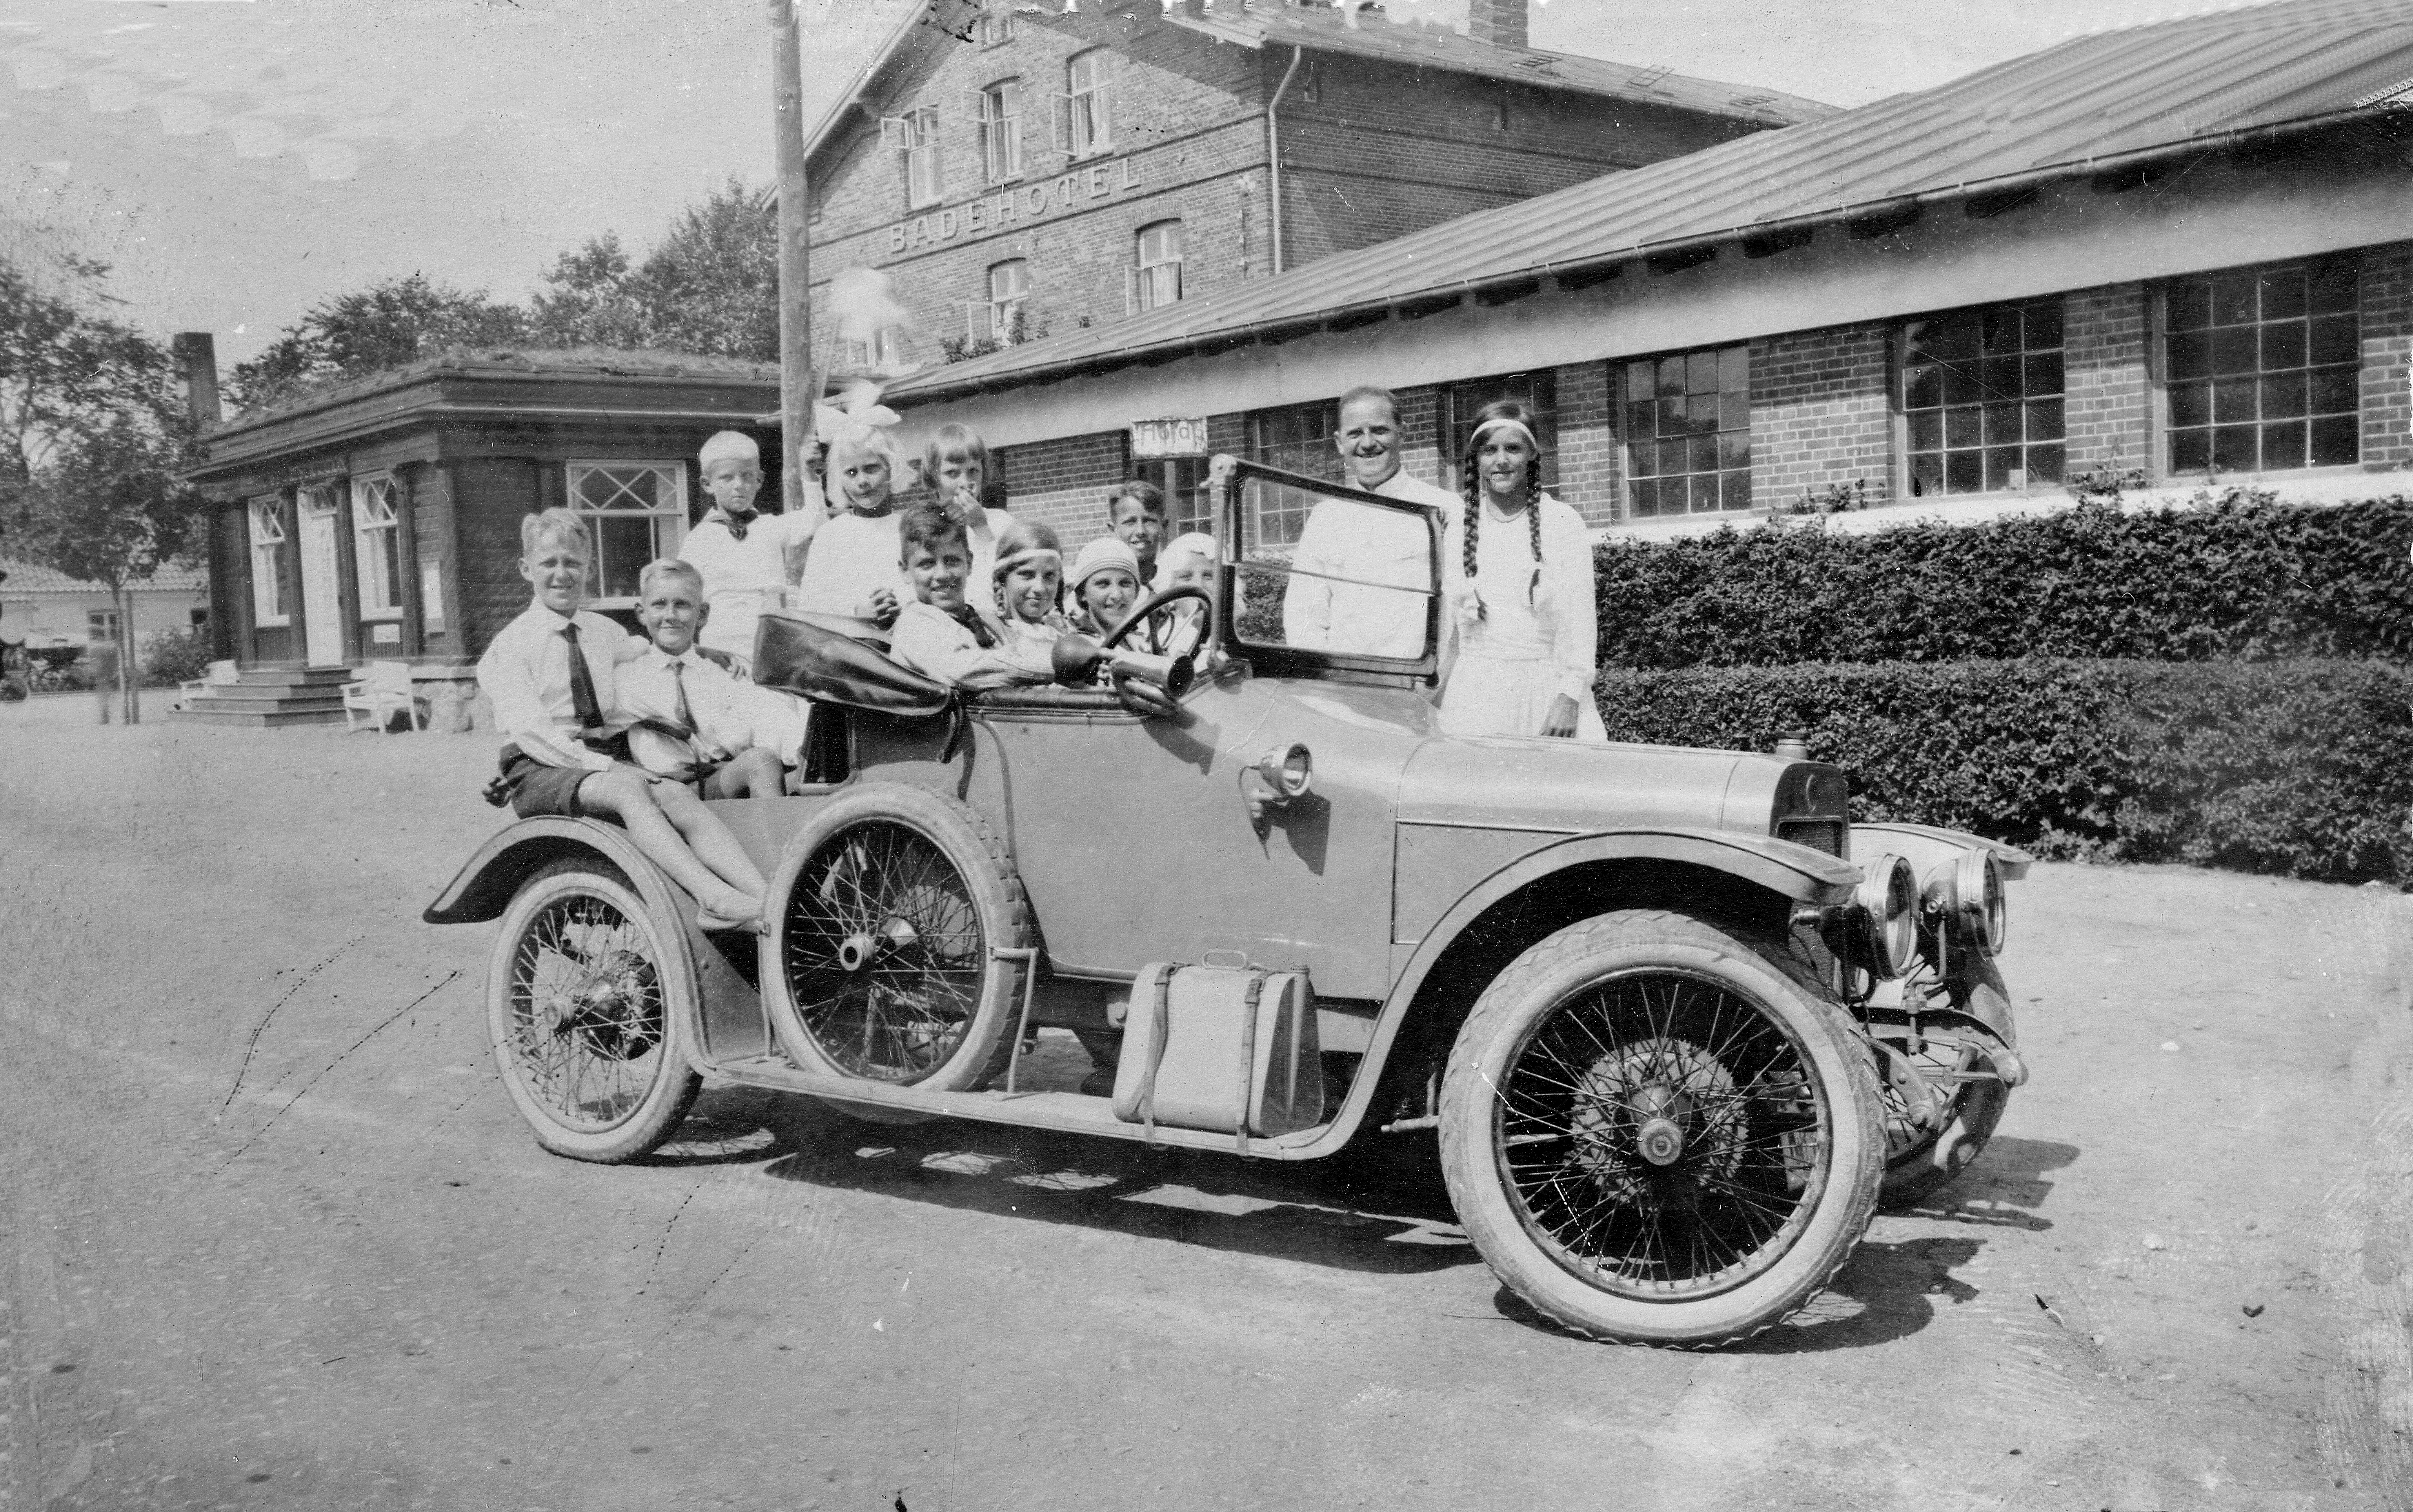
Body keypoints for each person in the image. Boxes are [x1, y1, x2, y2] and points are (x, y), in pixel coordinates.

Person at [476, 508, 771, 932]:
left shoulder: (602, 631)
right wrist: (605, 766)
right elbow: (532, 733)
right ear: (527, 569)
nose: (562, 574)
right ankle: (712, 899)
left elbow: (652, 646)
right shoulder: (509, 647)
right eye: (549, 563)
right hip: (541, 765)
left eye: (573, 563)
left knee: (674, 794)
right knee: (632, 790)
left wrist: (707, 652)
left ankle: (764, 894)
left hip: (599, 760)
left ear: (588, 568)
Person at [1436, 399, 1606, 741]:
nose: (1501, 460)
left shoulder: (1562, 522)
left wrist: (1569, 697)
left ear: (1532, 454)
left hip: (1544, 690)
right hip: (1475, 696)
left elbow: (1581, 621)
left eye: (1512, 448)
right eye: (1489, 450)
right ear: (1476, 459)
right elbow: (1450, 631)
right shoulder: (1458, 526)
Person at [1280, 385, 1461, 656]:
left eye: (1379, 430)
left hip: (1418, 682)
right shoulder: (1325, 518)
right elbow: (1304, 613)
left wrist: (1429, 684)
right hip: (1346, 684)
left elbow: (1455, 613)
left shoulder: (1445, 509)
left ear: (1402, 433)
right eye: (1355, 433)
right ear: (1340, 443)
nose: (1367, 443)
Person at [617, 559, 789, 799]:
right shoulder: (627, 677)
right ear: (641, 613)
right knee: (760, 762)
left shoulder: (722, 671)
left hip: (717, 779)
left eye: (682, 605)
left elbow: (751, 730)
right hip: (666, 789)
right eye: (659, 604)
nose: (670, 615)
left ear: (703, 614)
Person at [676, 430, 814, 669]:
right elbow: (682, 596)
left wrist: (811, 475)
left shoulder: (771, 526)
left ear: (759, 480)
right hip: (722, 646)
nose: (738, 486)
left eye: (747, 477)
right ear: (707, 484)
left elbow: (815, 519)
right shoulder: (699, 539)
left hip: (771, 641)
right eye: (727, 478)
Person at [887, 503, 1058, 691]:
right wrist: (1061, 663)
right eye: (927, 564)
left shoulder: (985, 622)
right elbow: (965, 671)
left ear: (969, 562)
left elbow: (1028, 647)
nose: (943, 575)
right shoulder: (913, 626)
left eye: (952, 561)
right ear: (905, 570)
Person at [794, 423, 910, 632]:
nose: (862, 481)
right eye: (851, 472)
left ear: (891, 469)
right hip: (850, 642)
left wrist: (899, 607)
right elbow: (811, 606)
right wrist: (858, 612)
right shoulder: (831, 535)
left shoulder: (910, 528)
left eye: (871, 469)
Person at [922, 423, 1015, 588]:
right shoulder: (925, 525)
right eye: (952, 473)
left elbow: (1006, 580)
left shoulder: (1001, 522)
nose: (965, 482)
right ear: (934, 478)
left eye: (973, 471)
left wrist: (981, 527)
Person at [990, 519, 1072, 656]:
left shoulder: (1063, 637)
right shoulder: (992, 634)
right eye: (1027, 575)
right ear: (1003, 578)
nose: (1039, 588)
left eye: (1049, 576)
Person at [1067, 535, 1144, 640]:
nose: (1116, 595)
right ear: (1082, 594)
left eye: (1125, 583)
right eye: (1103, 584)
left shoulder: (1139, 641)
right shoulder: (1080, 645)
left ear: (1136, 591)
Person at [1107, 480, 1168, 588]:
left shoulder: (1172, 584)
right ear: (1113, 530)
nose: (1141, 531)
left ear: (1164, 526)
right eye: (1130, 522)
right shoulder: (1104, 589)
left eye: (1149, 521)